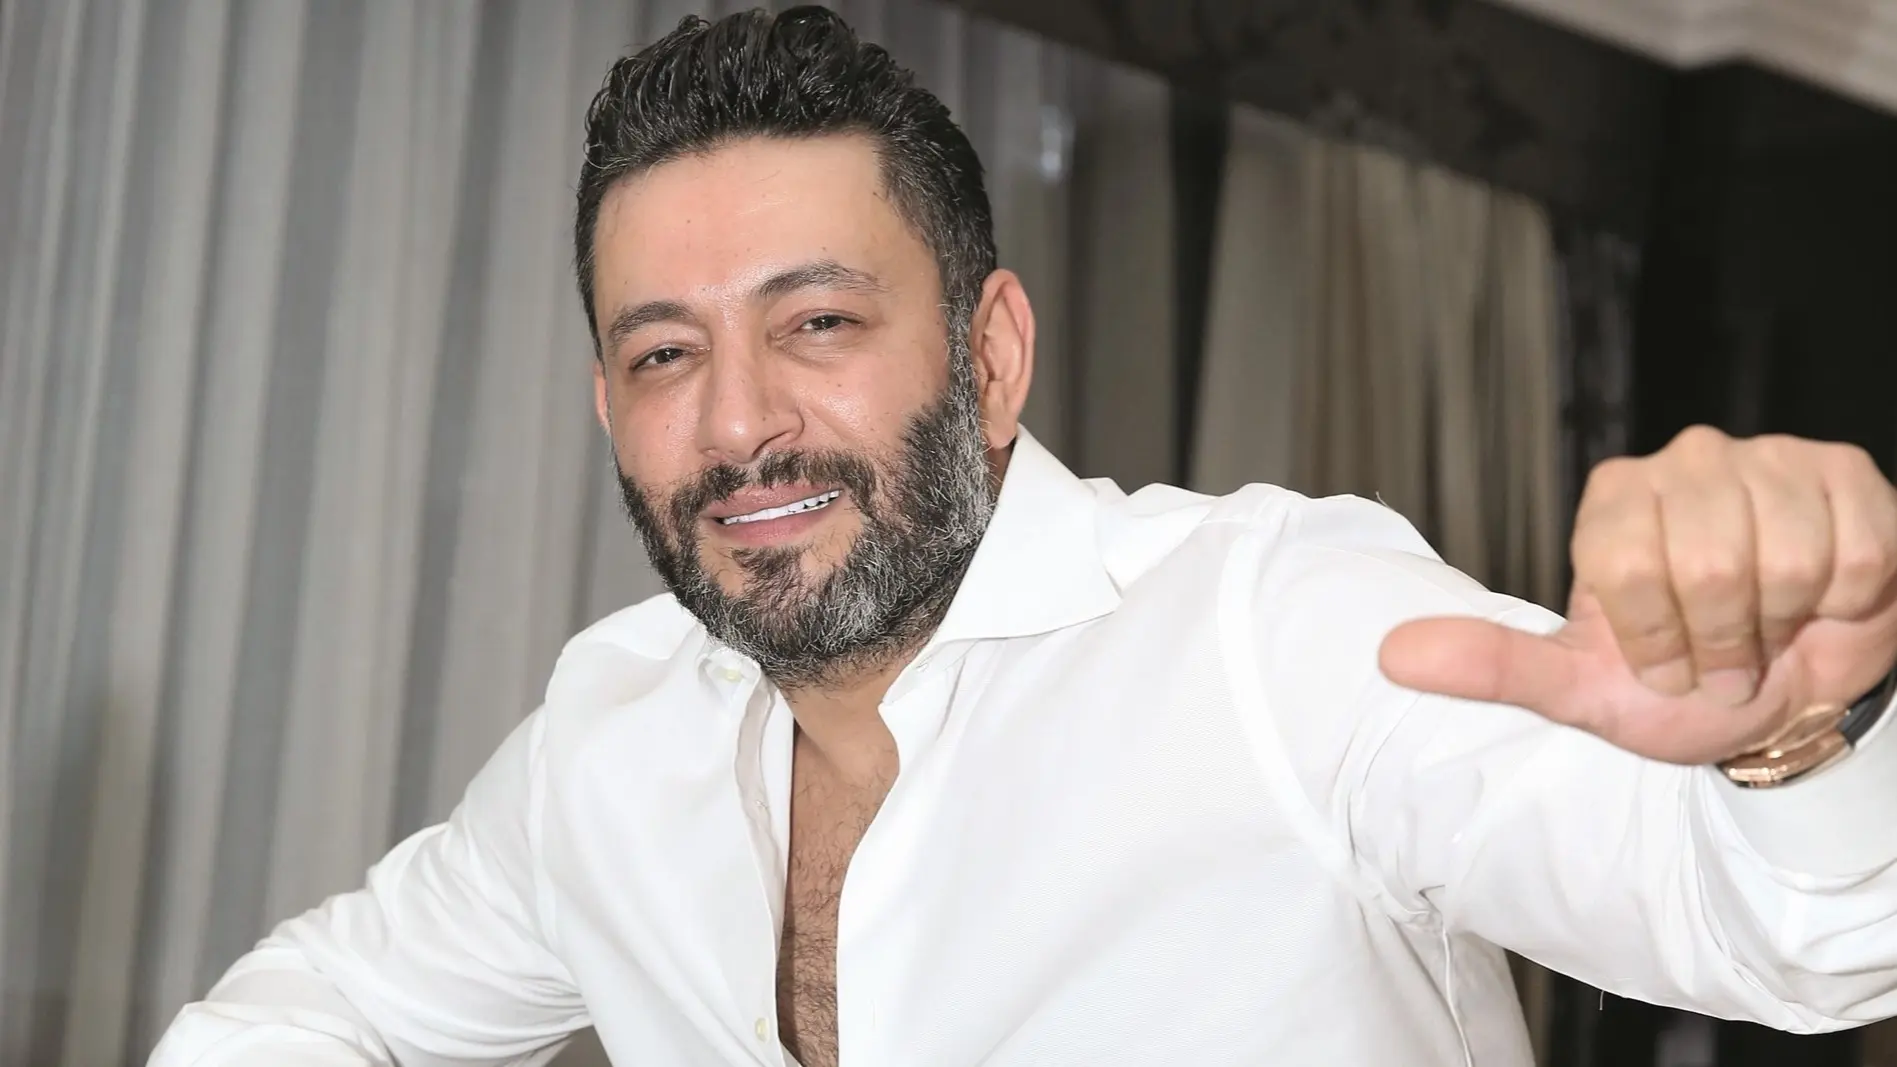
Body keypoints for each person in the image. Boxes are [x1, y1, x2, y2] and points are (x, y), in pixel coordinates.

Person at [150, 8, 1897, 1067]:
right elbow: (319, 1010)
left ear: (990, 355)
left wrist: (1798, 729)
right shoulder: (602, 743)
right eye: (665, 353)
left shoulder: (1274, 631)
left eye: (817, 322)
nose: (739, 421)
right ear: (609, 405)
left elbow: (1801, 944)